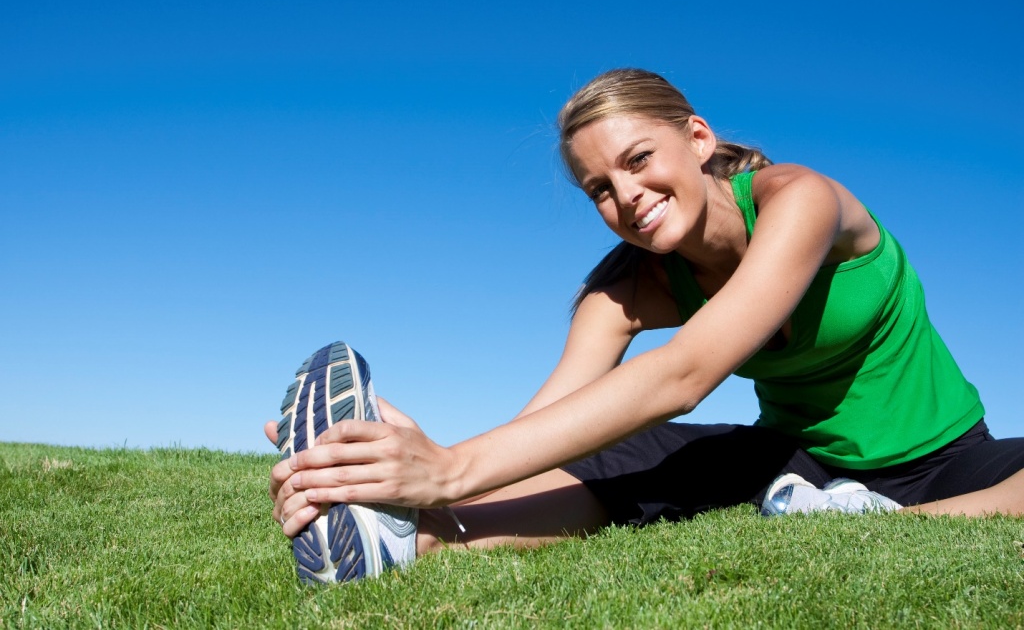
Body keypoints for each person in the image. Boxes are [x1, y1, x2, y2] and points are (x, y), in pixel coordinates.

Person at [265, 69, 1024, 584]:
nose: (626, 195)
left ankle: (881, 521)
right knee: (618, 456)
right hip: (794, 466)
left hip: (946, 458)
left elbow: (686, 373)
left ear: (697, 139)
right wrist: (418, 485)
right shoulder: (630, 286)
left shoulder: (802, 200)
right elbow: (556, 418)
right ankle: (421, 541)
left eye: (638, 159)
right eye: (600, 188)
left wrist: (453, 465)